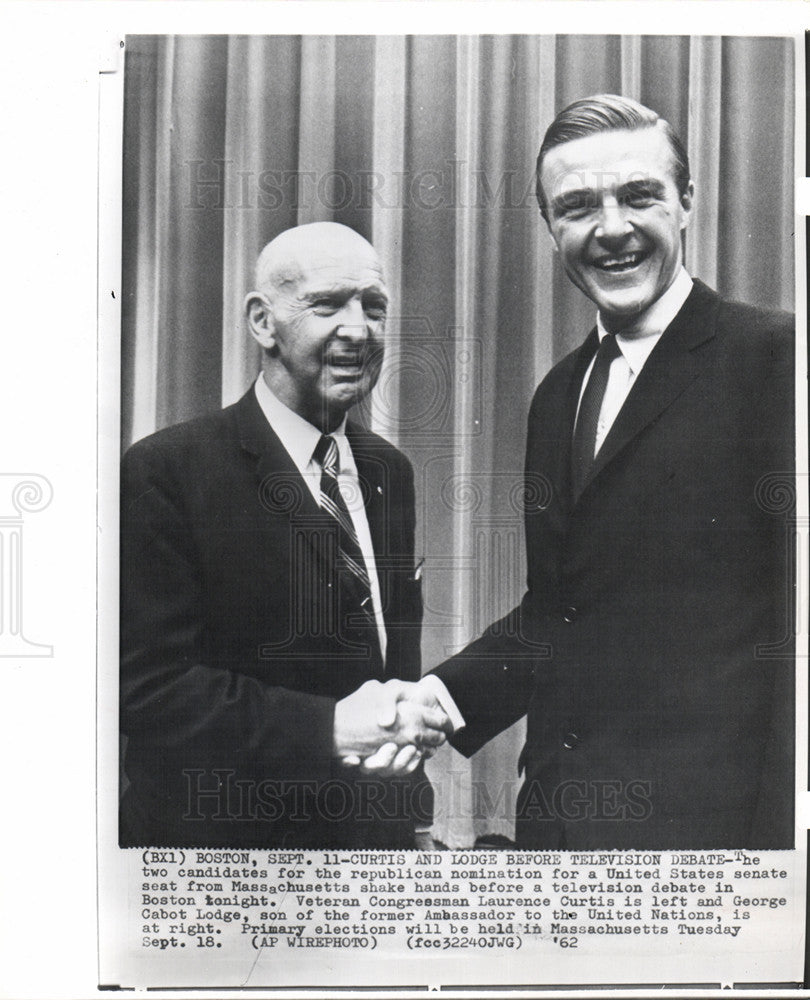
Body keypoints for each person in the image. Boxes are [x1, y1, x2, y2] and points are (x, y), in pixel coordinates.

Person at [424, 94, 795, 849]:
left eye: (639, 196)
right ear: (550, 227)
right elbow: (561, 609)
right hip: (561, 835)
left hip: (713, 853)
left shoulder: (777, 361)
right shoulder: (557, 394)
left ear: (687, 203)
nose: (612, 229)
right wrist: (435, 701)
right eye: (578, 206)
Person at [119, 222, 452, 849]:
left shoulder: (389, 473)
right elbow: (150, 690)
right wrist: (327, 728)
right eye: (328, 304)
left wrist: (409, 820)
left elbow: (386, 671)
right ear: (262, 322)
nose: (358, 329)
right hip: (222, 871)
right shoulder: (167, 472)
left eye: (374, 307)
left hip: (368, 861)